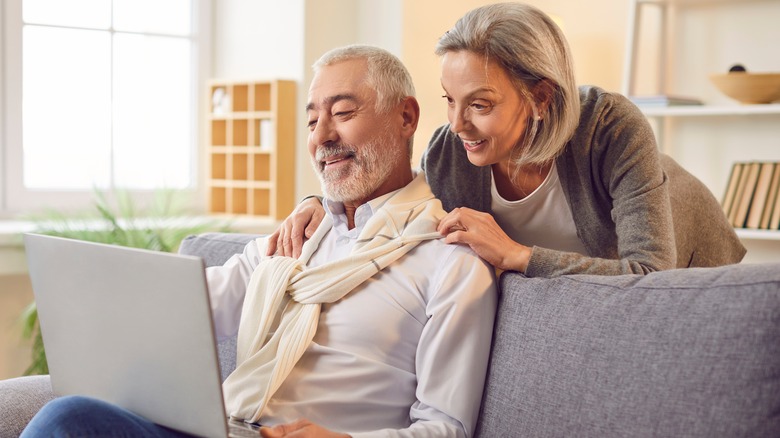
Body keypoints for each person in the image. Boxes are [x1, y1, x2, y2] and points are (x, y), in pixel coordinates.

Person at [21, 45, 497, 438]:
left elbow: (445, 427)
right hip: (228, 429)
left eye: (343, 113)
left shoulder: (450, 260)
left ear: (406, 117)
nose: (323, 136)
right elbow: (186, 307)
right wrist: (92, 299)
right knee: (72, 418)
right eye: (311, 122)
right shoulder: (296, 237)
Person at [268, 2, 745, 277]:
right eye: (449, 100)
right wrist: (326, 205)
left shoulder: (610, 127)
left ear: (540, 97)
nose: (457, 124)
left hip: (695, 270)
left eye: (480, 105)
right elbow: (402, 198)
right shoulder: (449, 152)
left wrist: (521, 256)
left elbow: (649, 276)